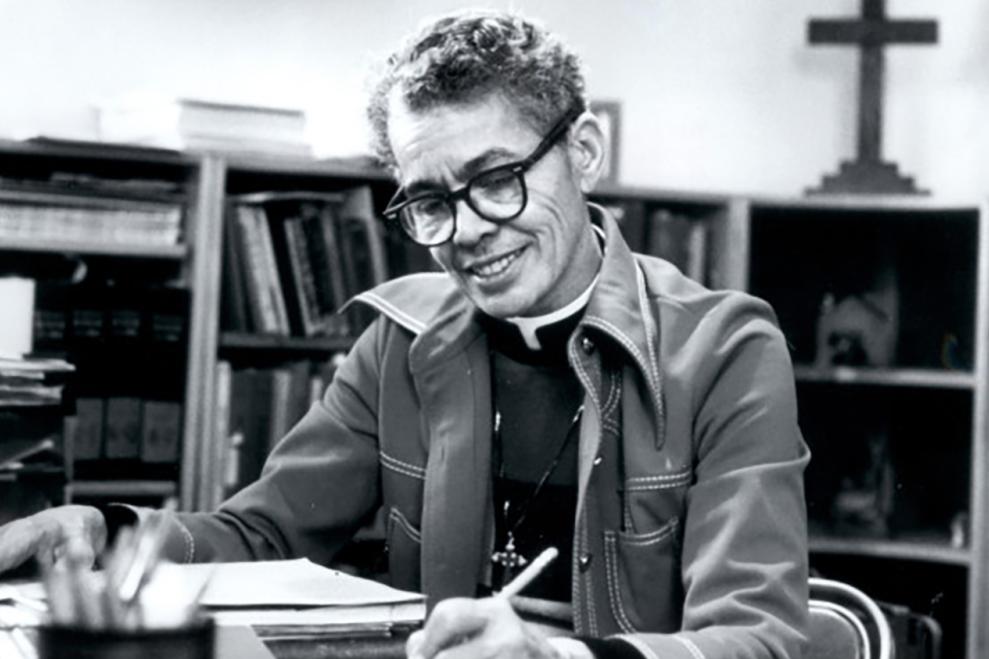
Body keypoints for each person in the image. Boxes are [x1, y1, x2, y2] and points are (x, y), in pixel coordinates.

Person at [0, 10, 809, 659]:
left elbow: (761, 636)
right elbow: (266, 534)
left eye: (496, 181)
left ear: (583, 152)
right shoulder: (398, 340)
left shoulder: (724, 350)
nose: (467, 232)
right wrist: (104, 533)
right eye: (430, 200)